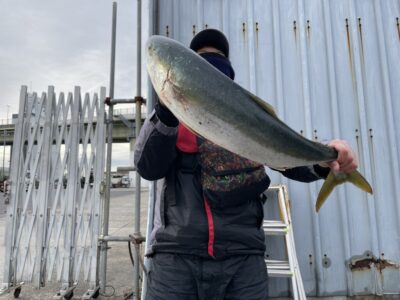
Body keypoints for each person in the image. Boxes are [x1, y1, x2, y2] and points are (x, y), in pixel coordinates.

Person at [134, 29, 357, 300]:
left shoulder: (249, 117)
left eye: (217, 58)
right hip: (176, 256)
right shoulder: (169, 118)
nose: (211, 63)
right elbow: (148, 167)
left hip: (243, 258)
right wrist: (166, 112)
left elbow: (287, 158)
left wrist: (325, 159)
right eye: (202, 59)